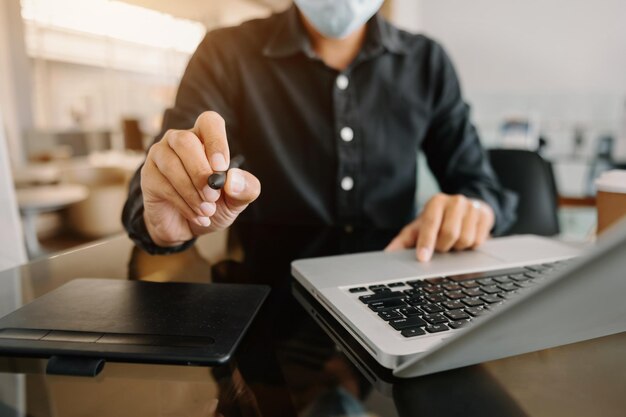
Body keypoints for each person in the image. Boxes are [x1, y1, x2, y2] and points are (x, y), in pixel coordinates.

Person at [122, 0, 517, 262]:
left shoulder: (426, 61)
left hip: (396, 289)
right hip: (267, 308)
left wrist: (473, 210)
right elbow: (167, 167)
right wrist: (163, 220)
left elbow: (480, 186)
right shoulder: (225, 54)